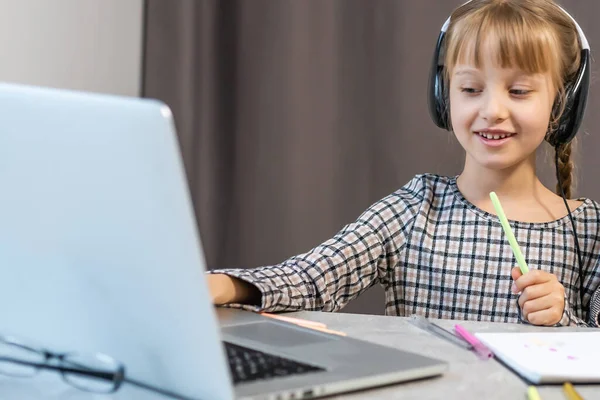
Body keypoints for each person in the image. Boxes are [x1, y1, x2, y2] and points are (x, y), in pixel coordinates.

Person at [207, 0, 600, 327]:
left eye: (518, 91)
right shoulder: (415, 209)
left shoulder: (590, 231)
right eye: (470, 89)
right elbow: (311, 279)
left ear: (562, 104)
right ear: (443, 97)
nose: (492, 110)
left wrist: (562, 321)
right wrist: (221, 285)